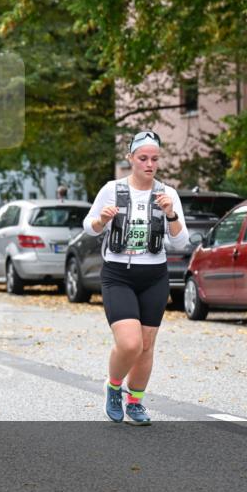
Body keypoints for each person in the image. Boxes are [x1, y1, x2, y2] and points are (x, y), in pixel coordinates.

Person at [82, 130, 189, 426]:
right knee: (129, 343)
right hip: (118, 274)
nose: (149, 164)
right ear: (130, 159)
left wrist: (170, 215)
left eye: (154, 159)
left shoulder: (168, 194)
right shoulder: (112, 189)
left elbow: (181, 243)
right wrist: (102, 220)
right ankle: (114, 386)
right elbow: (89, 227)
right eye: (143, 158)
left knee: (145, 345)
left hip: (154, 275)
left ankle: (136, 402)